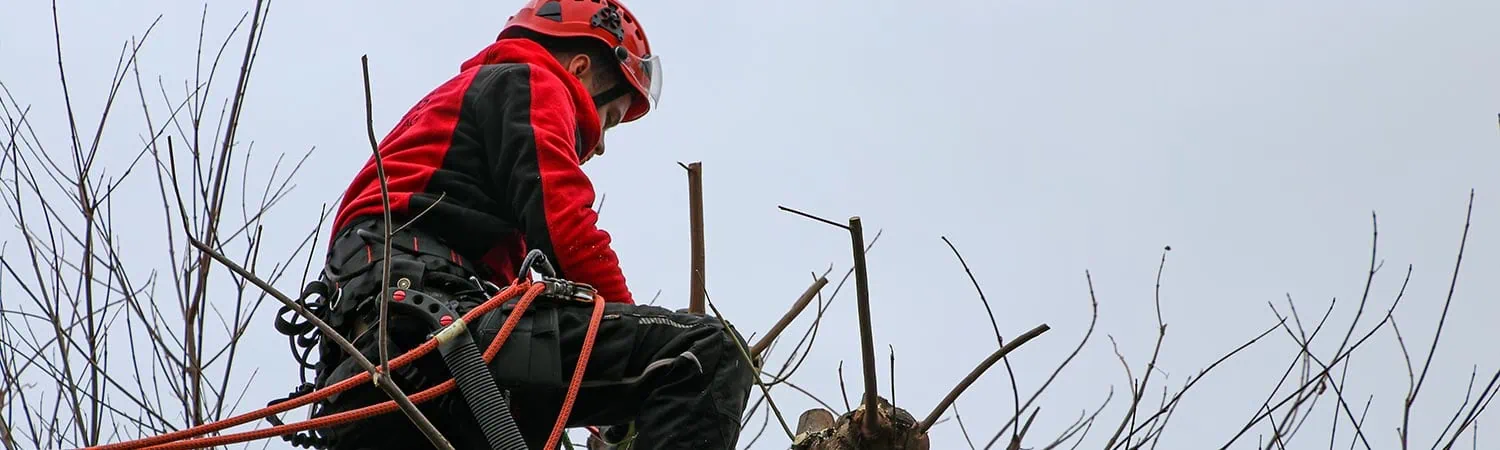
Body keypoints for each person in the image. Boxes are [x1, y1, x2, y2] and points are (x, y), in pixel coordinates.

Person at [301, 1, 753, 448]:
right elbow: (565, 226)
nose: (598, 147)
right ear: (578, 68)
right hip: (432, 322)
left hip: (386, 352)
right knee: (707, 353)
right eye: (608, 120)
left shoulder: (452, 124)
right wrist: (633, 344)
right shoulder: (529, 80)